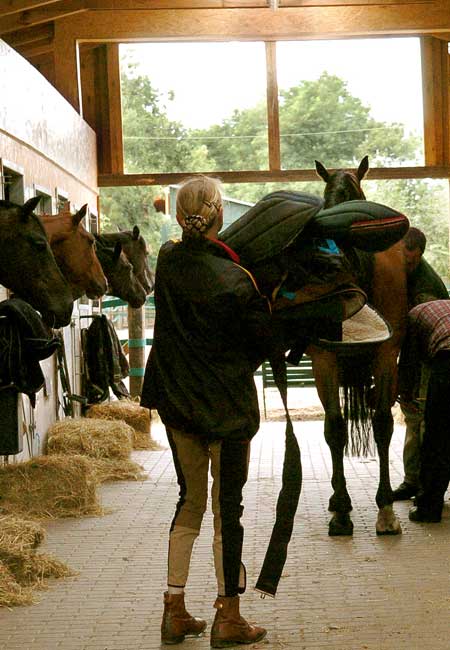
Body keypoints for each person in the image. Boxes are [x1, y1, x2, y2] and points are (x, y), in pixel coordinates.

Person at [141, 176, 273, 647]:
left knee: (189, 501)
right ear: (220, 216)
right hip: (228, 410)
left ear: (181, 217)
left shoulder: (168, 261)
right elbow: (260, 344)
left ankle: (174, 609)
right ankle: (229, 616)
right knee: (227, 508)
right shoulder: (238, 281)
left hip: (177, 404)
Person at [393, 227, 449, 501]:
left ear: (420, 255)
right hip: (432, 352)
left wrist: (406, 388)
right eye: (404, 259)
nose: (407, 265)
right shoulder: (407, 275)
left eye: (411, 261)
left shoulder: (424, 289)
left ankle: (422, 485)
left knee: (423, 420)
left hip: (434, 357)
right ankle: (418, 481)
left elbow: (415, 346)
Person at [398, 299, 450, 522]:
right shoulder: (444, 307)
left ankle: (428, 508)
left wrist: (406, 394)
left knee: (437, 437)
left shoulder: (413, 317)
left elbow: (409, 362)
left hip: (448, 359)